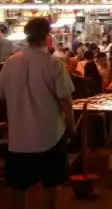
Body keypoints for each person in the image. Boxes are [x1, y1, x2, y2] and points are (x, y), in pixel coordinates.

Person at [0, 17, 75, 209]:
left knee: (19, 189)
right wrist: (71, 125)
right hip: (50, 137)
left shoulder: (9, 63)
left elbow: (2, 97)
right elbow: (65, 99)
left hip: (19, 141)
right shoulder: (53, 64)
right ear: (47, 37)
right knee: (51, 187)